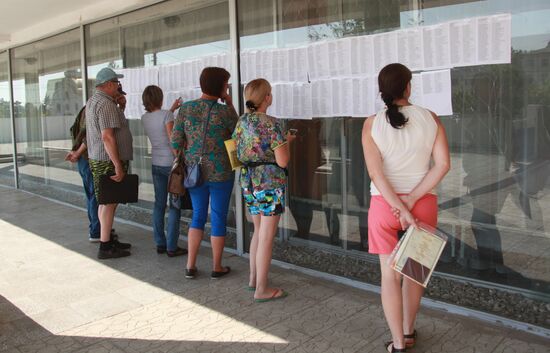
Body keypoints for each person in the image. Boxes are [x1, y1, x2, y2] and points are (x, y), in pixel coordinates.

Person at [361, 63, 450, 352]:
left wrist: (398, 205)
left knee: (390, 275)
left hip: (384, 207)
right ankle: (409, 331)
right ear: (408, 87)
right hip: (422, 205)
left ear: (382, 90)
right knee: (415, 273)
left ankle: (398, 344)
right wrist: (410, 202)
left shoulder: (371, 123)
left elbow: (376, 174)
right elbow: (443, 165)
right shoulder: (431, 118)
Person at [171, 67, 238, 279]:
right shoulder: (225, 112)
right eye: (226, 84)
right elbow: (238, 136)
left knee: (198, 216)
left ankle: (190, 266)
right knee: (218, 217)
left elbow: (175, 142)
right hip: (221, 173)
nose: (227, 87)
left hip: (194, 172)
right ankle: (217, 267)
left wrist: (189, 156)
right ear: (219, 86)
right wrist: (229, 103)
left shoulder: (186, 109)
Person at [233, 78, 295, 302]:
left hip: (248, 181)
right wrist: (287, 141)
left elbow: (236, 150)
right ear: (266, 98)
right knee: (267, 235)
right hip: (269, 182)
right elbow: (283, 161)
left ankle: (253, 279)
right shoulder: (273, 123)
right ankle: (262, 289)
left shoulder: (241, 121)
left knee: (258, 231)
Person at [86, 67, 133, 259]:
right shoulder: (105, 104)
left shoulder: (95, 101)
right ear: (108, 85)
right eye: (116, 84)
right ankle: (105, 246)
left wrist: (121, 107)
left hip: (100, 159)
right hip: (107, 161)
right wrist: (118, 166)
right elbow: (107, 137)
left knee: (105, 202)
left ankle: (107, 237)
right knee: (109, 203)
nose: (118, 87)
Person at [141, 85, 187, 257]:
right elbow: (173, 141)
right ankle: (172, 246)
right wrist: (180, 160)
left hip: (156, 164)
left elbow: (160, 120)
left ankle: (160, 242)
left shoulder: (145, 117)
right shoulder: (166, 115)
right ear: (159, 98)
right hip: (171, 165)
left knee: (159, 204)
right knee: (175, 205)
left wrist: (172, 109)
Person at [65, 106, 100, 242]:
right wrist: (77, 153)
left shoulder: (87, 108)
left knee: (92, 195)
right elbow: (89, 135)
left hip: (84, 158)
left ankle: (97, 226)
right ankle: (97, 231)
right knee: (95, 196)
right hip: (88, 158)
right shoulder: (94, 109)